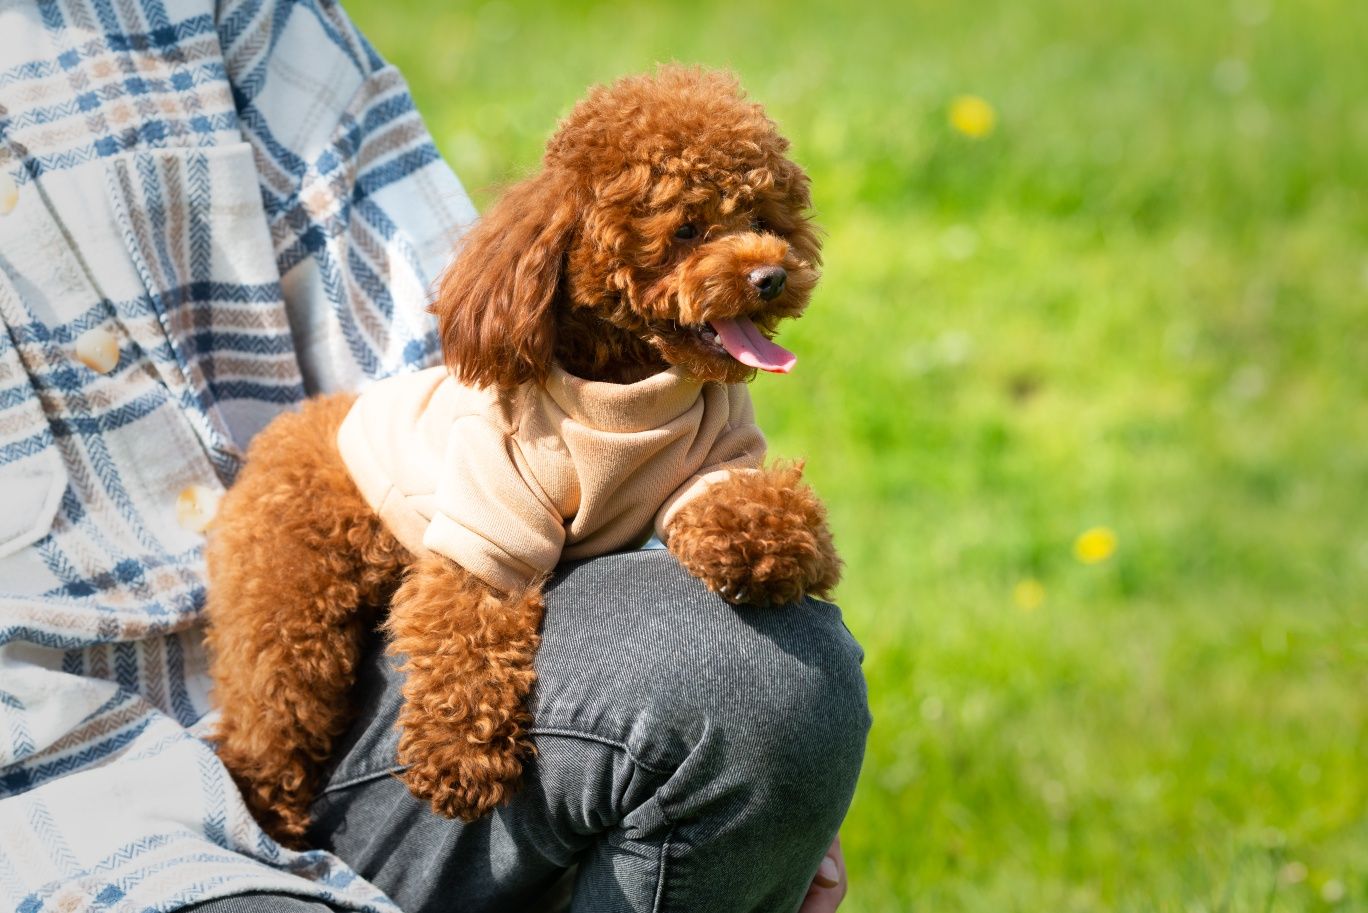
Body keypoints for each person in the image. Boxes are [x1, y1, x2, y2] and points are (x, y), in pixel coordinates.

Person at [0, 1, 870, 911]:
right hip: (64, 819)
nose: (760, 261)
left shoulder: (219, 15)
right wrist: (463, 713)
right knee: (291, 692)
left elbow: (711, 496)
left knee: (778, 668)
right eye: (690, 236)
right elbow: (474, 566)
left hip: (377, 751)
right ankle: (267, 786)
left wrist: (781, 749)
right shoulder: (515, 436)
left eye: (761, 222)